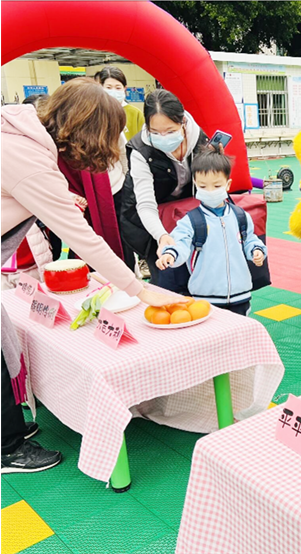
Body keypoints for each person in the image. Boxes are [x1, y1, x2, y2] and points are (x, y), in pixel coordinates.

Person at [1, 78, 181, 474]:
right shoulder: (30, 159)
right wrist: (139, 289)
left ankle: (6, 430)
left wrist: (58, 196)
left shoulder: (22, 131)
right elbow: (84, 239)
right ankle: (6, 448)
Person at [156, 147, 266, 316]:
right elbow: (180, 242)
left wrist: (256, 250)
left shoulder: (240, 216)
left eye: (216, 185)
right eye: (203, 186)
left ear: (228, 184)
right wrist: (170, 254)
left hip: (241, 296)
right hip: (205, 298)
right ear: (195, 183)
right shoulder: (191, 220)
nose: (210, 191)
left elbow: (249, 239)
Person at [120, 89, 211, 286]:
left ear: (183, 122)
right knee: (166, 277)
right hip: (149, 220)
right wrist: (161, 236)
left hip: (184, 214)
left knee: (198, 272)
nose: (163, 137)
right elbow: (145, 204)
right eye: (155, 132)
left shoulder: (199, 139)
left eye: (170, 131)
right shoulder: (140, 151)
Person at [98, 66, 145, 141]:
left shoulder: (135, 114)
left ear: (125, 88)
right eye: (109, 88)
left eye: (118, 88)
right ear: (101, 87)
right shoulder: (96, 112)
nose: (113, 91)